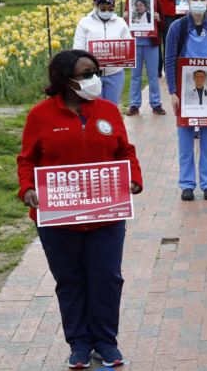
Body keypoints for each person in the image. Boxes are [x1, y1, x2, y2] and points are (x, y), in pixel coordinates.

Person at [17, 49, 143, 369]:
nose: (94, 79)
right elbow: (27, 160)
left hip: (106, 215)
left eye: (96, 73)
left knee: (107, 277)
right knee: (70, 280)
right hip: (58, 218)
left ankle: (106, 341)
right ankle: (80, 343)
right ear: (66, 79)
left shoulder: (108, 110)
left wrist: (133, 178)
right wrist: (28, 189)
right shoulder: (40, 116)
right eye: (87, 74)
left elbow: (125, 152)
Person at [166, 0, 207, 202]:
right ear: (189, 0)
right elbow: (169, 61)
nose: (199, 2)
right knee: (185, 140)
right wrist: (172, 92)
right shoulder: (177, 27)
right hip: (184, 91)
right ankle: (187, 184)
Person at [73, 0, 131, 106]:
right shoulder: (84, 23)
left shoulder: (120, 23)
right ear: (96, 5)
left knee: (111, 107)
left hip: (115, 73)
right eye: (103, 9)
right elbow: (78, 49)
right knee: (93, 107)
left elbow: (128, 44)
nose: (107, 12)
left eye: (110, 9)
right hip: (91, 75)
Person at [126, 0, 166, 117]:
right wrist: (125, 18)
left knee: (153, 75)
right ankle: (134, 104)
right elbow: (124, 26)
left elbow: (163, 26)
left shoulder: (156, 1)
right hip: (135, 42)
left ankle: (156, 103)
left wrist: (158, 19)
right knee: (135, 75)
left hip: (151, 43)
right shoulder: (130, 1)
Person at [151, 0, 181, 75]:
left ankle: (168, 70)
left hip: (168, 15)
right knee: (156, 44)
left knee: (168, 42)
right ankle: (157, 70)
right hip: (154, 16)